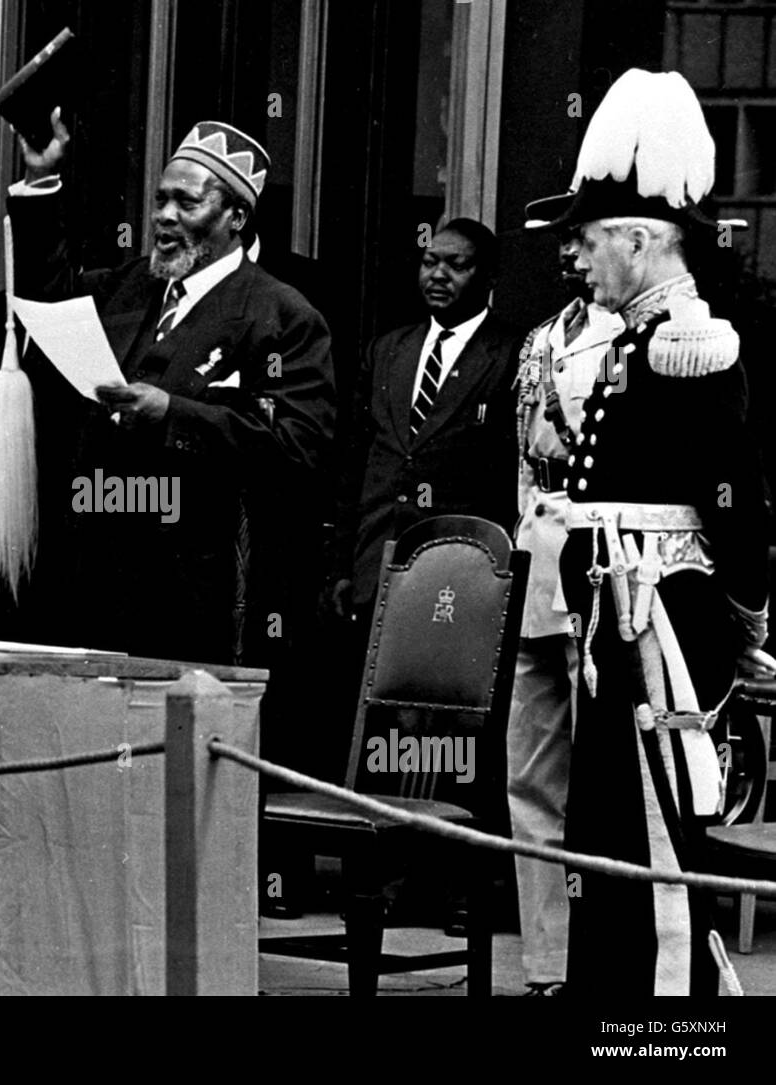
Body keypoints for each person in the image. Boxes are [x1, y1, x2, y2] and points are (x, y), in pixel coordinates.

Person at [528, 68, 770, 996]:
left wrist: (738, 625)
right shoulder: (634, 339)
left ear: (637, 239)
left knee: (652, 852)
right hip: (616, 625)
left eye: (590, 240)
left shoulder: (690, 343)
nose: (579, 258)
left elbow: (737, 502)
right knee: (609, 849)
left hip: (660, 625)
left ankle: (664, 1026)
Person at [5, 112, 336, 668]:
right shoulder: (129, 285)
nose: (163, 216)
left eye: (187, 203)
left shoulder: (280, 314)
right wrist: (40, 183)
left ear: (236, 216)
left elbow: (299, 448)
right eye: (160, 200)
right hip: (93, 576)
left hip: (197, 589)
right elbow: (47, 303)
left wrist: (171, 413)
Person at [328, 220, 520, 728]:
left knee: (441, 725)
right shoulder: (388, 349)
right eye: (430, 261)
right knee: (371, 722)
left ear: (489, 277)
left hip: (457, 573)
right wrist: (346, 564)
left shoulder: (512, 355)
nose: (438, 274)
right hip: (377, 563)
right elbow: (357, 462)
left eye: (457, 265)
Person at [507, 228, 624, 996]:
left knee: (600, 780)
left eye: (581, 242)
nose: (569, 259)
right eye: (561, 246)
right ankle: (549, 962)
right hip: (536, 552)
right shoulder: (543, 336)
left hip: (595, 567)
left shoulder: (629, 337)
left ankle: (602, 963)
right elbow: (526, 458)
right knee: (531, 774)